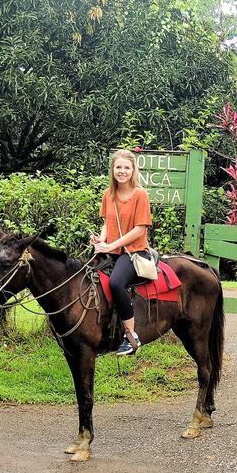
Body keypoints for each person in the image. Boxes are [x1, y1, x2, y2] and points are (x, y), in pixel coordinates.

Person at [92, 148, 153, 356]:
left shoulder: (140, 194)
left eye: (126, 168)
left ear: (133, 170)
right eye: (118, 167)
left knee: (116, 283)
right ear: (113, 169)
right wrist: (101, 240)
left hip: (134, 252)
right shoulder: (108, 195)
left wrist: (112, 245)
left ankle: (131, 335)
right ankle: (104, 335)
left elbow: (140, 229)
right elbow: (107, 223)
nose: (122, 171)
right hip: (112, 251)